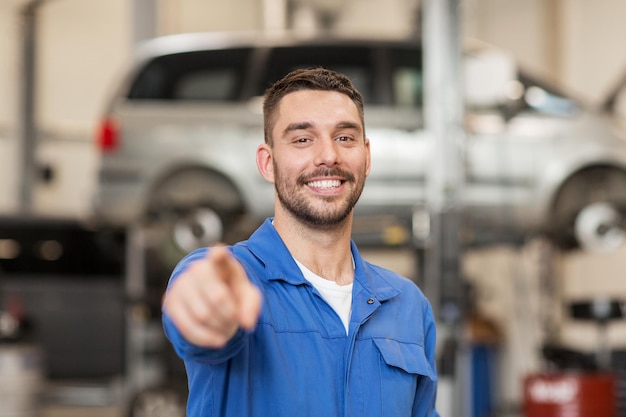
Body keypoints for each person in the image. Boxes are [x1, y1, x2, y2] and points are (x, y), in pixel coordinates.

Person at [162, 67, 440, 417]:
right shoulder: (230, 278)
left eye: (344, 138)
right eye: (302, 139)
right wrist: (207, 309)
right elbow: (198, 314)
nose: (328, 156)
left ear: (366, 156)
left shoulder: (408, 306)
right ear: (268, 162)